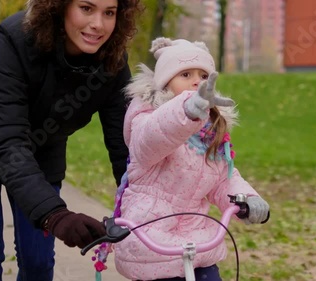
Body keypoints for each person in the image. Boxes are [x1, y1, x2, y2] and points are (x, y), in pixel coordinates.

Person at [0, 0, 142, 280]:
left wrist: (145, 207)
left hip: (42, 143)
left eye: (109, 12)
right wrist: (55, 215)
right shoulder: (13, 40)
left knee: (37, 261)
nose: (98, 24)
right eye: (86, 8)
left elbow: (124, 146)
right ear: (59, 7)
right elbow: (8, 143)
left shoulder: (112, 60)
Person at [113, 37, 270, 281]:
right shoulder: (146, 118)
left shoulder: (209, 132)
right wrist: (185, 110)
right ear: (165, 83)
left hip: (197, 238)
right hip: (152, 239)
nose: (197, 81)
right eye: (185, 74)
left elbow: (221, 178)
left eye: (203, 76)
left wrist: (248, 199)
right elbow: (151, 139)